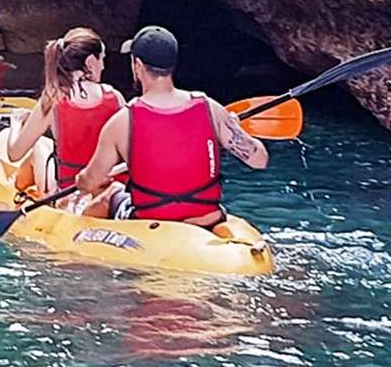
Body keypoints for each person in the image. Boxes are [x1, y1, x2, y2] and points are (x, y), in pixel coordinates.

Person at [78, 25, 267, 227]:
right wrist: (234, 129)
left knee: (112, 194)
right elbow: (260, 160)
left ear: (137, 65)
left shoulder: (122, 121)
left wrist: (80, 179)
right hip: (206, 219)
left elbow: (89, 182)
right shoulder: (210, 109)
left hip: (151, 222)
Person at [5, 27, 123, 202]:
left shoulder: (52, 100)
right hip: (109, 191)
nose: (103, 66)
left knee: (39, 147)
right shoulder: (115, 97)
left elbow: (14, 153)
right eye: (102, 59)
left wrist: (15, 123)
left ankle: (16, 188)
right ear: (91, 62)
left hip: (67, 194)